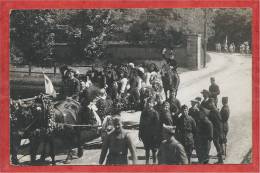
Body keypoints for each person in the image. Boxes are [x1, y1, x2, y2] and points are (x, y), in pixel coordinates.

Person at [139, 97, 161, 164]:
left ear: (153, 104)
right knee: (147, 149)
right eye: (148, 102)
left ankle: (154, 163)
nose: (149, 104)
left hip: (153, 135)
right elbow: (141, 123)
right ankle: (147, 163)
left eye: (150, 103)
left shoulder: (155, 113)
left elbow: (157, 125)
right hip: (145, 134)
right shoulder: (143, 112)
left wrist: (156, 135)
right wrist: (140, 133)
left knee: (154, 150)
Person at [208, 99, 224, 163]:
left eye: (210, 103)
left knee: (217, 144)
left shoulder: (215, 111)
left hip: (216, 131)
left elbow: (219, 123)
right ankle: (220, 159)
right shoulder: (213, 110)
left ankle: (220, 160)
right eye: (209, 103)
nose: (209, 104)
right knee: (216, 144)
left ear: (213, 103)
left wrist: (220, 133)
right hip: (215, 130)